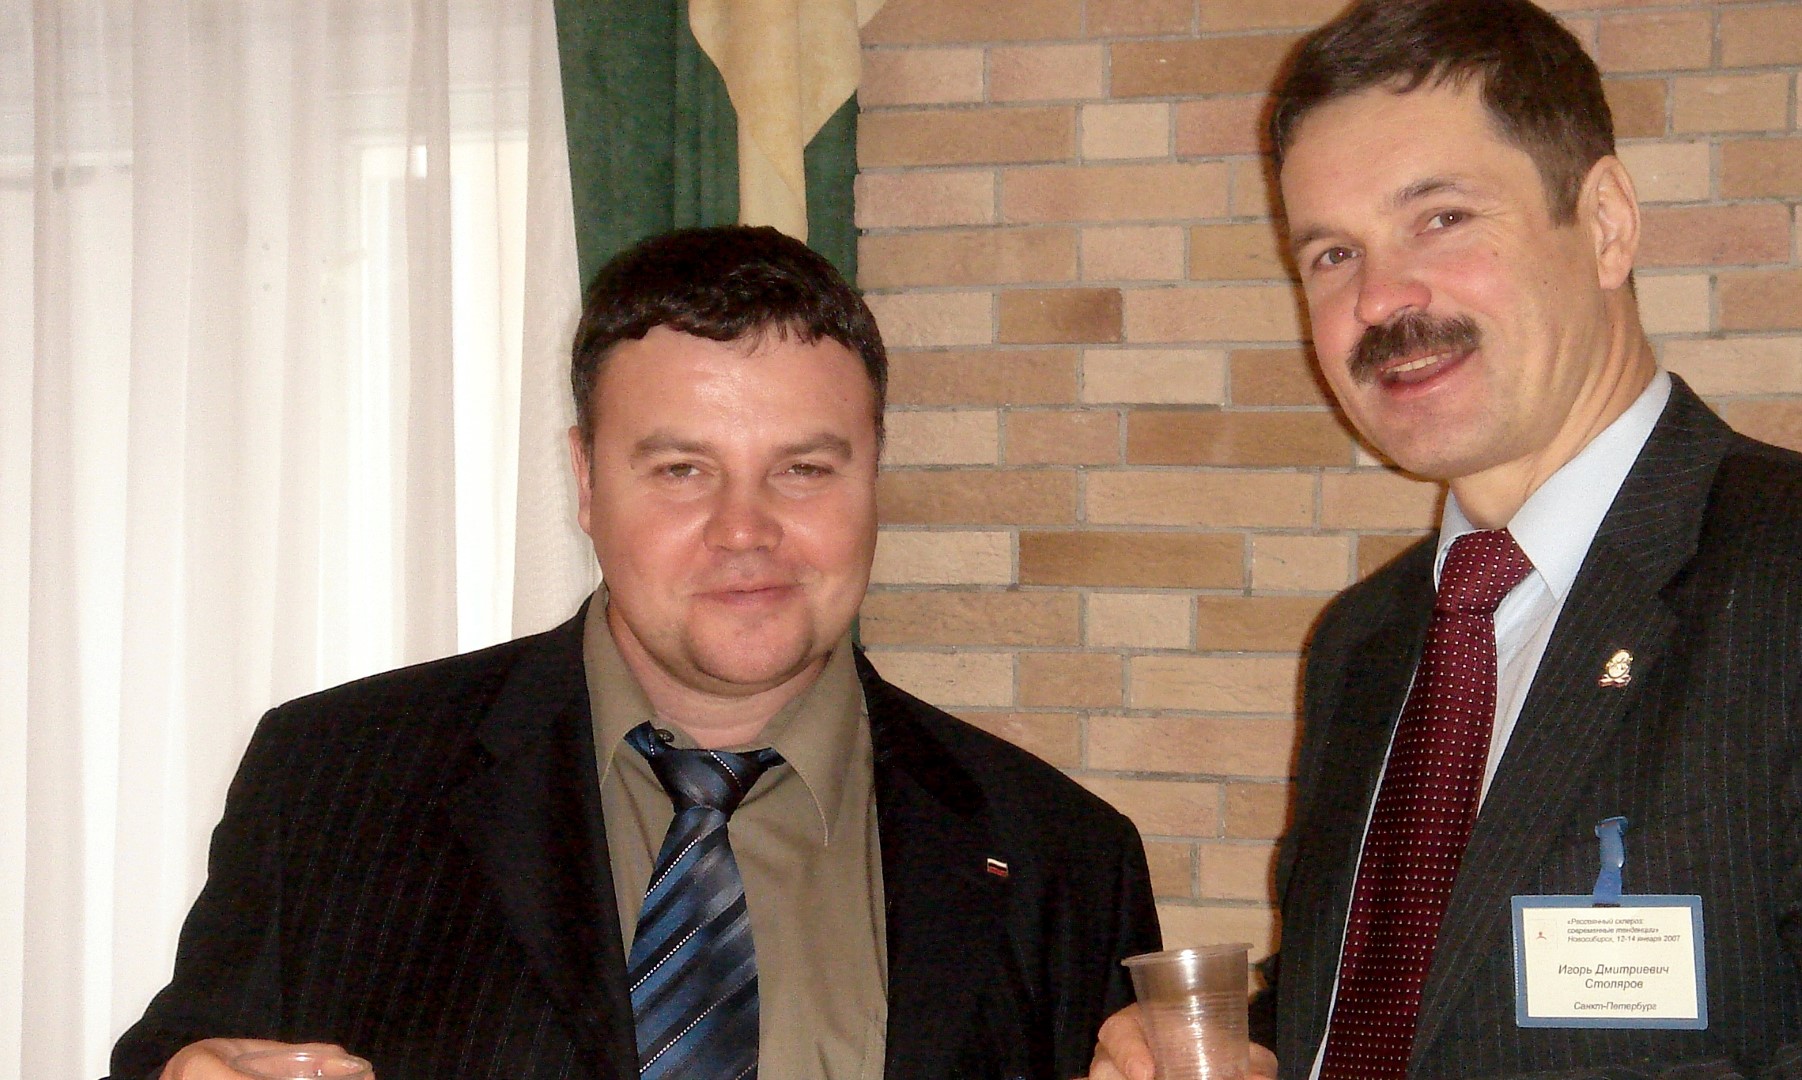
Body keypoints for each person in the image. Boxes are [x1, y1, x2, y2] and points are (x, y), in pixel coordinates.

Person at [109, 225, 1160, 1080]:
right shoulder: (334, 783)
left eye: (803, 469)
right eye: (680, 471)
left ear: (873, 472)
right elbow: (191, 1055)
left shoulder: (1061, 856)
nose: (744, 530)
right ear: (583, 480)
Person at [1090, 0, 1802, 1077]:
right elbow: (1408, 1003)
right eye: (1333, 253)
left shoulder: (1781, 571)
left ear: (1606, 224)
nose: (1381, 299)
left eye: (1441, 218)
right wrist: (1246, 1045)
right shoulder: (1362, 643)